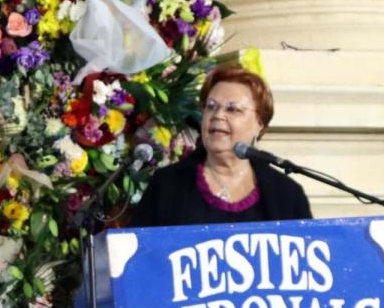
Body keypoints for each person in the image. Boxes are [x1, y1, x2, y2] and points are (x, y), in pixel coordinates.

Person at [130, 65, 311, 226]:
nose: (218, 115)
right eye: (211, 106)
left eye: (233, 109)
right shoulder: (167, 185)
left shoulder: (287, 195)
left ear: (259, 123)